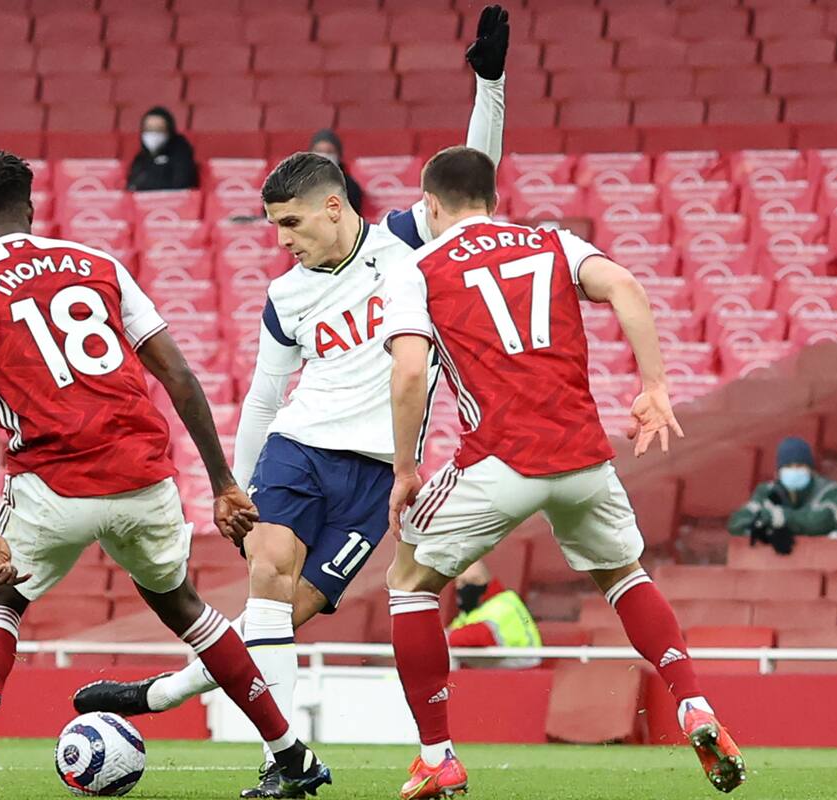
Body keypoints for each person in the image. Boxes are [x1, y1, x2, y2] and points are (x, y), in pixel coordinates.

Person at [72, 7, 511, 798]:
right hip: (298, 451)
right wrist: (234, 484)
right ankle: (287, 760)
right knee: (268, 576)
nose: (282, 239)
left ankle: (161, 695)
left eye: (292, 223)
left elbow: (474, 175)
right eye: (276, 227)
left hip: (374, 474)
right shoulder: (285, 295)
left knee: (284, 614)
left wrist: (490, 82)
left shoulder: (405, 244)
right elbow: (265, 396)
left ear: (335, 207)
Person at [0, 146, 329, 799]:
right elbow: (177, 373)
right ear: (30, 209)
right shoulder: (97, 264)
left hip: (51, 484)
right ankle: (291, 754)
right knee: (186, 607)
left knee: (3, 601)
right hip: (142, 475)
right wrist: (223, 483)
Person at [382, 146, 746, 798]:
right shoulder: (553, 241)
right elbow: (626, 287)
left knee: (409, 584)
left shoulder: (418, 267)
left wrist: (405, 468)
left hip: (497, 458)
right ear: (493, 200)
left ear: (430, 205)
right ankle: (693, 702)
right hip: (582, 457)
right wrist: (654, 387)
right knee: (623, 575)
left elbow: (410, 371)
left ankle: (437, 755)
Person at [727, 436, 837, 552]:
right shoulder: (768, 491)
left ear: (810, 469)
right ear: (779, 471)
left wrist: (780, 518)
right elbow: (737, 523)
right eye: (788, 466)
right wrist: (768, 533)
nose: (794, 470)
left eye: (799, 466)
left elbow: (821, 522)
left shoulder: (830, 491)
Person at [447, 561, 541, 668]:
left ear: (483, 582)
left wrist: (442, 638)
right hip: (497, 671)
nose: (461, 587)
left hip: (525, 671)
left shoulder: (504, 604)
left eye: (469, 581)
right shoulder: (471, 611)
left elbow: (481, 635)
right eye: (458, 582)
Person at [126, 106, 199, 192]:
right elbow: (132, 186)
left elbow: (181, 184)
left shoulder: (181, 151)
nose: (153, 134)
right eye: (148, 129)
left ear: (169, 131)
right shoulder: (140, 158)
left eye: (159, 129)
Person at [309, 129, 363, 215]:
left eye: (329, 151)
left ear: (338, 155)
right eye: (319, 151)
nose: (324, 155)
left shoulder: (349, 186)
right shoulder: (299, 183)